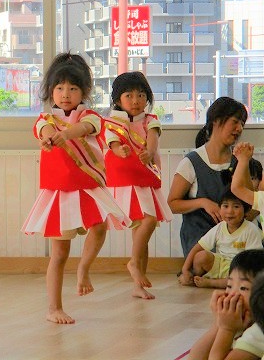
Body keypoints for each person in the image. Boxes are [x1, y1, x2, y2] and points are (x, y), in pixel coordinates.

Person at [21, 52, 131, 325]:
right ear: (51, 91)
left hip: (88, 187)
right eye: (59, 88)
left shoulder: (90, 116)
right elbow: (44, 130)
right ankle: (54, 308)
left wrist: (66, 134)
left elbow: (85, 128)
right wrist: (49, 138)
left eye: (72, 88)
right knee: (59, 253)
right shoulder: (45, 119)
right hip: (59, 192)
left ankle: (83, 269)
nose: (65, 94)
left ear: (84, 92)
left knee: (100, 227)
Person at [103, 71, 173, 300]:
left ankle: (138, 283)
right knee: (148, 222)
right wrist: (119, 150)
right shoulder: (113, 121)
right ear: (118, 99)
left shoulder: (151, 120)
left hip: (145, 178)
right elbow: (112, 143)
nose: (136, 101)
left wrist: (150, 153)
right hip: (124, 179)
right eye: (129, 95)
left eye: (141, 95)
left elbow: (153, 138)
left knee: (142, 234)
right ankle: (134, 263)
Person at [167, 97, 248, 259]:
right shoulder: (191, 162)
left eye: (242, 124)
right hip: (201, 239)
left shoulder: (241, 160)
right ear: (216, 121)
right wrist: (202, 202)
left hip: (235, 237)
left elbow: (252, 203)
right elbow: (172, 205)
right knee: (203, 259)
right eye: (235, 122)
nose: (239, 128)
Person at [188, 249, 264, 360]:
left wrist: (227, 329)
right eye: (229, 286)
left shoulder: (258, 331)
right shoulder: (238, 321)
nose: (232, 294)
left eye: (243, 288)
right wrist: (218, 323)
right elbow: (195, 357)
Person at [178, 188, 261, 289]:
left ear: (246, 210)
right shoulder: (220, 227)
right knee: (200, 256)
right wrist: (185, 270)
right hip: (220, 264)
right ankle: (194, 278)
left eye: (236, 206)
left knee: (245, 276)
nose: (230, 211)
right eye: (225, 206)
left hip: (239, 268)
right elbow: (198, 247)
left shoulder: (251, 229)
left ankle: (211, 283)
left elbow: (253, 260)